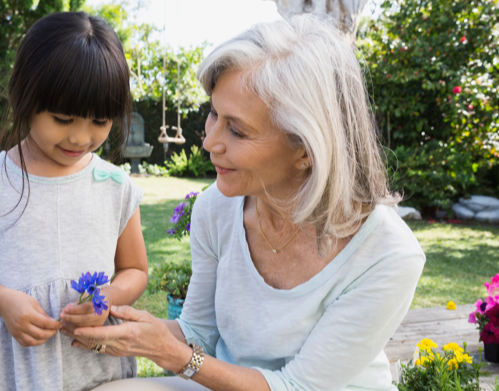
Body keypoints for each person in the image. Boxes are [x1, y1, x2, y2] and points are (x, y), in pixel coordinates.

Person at [61, 14, 426, 391]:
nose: (209, 142)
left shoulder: (388, 253)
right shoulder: (215, 209)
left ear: (306, 148)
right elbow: (196, 332)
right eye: (214, 114)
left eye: (237, 130)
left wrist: (175, 356)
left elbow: (298, 387)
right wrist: (131, 331)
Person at [0, 12, 148, 391]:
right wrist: (3, 301)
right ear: (27, 97)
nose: (81, 138)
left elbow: (135, 269)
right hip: (13, 371)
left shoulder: (115, 185)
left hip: (93, 365)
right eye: (63, 118)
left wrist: (108, 299)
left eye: (100, 122)